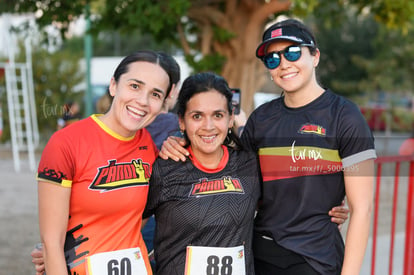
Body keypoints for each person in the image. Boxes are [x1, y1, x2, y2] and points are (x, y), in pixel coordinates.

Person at [159, 18, 375, 275]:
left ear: (315, 56)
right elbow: (221, 158)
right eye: (273, 59)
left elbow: (362, 210)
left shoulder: (345, 116)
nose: (283, 64)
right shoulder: (261, 119)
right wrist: (178, 138)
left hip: (316, 259)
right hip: (259, 254)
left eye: (292, 52)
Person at [35, 50, 178, 275]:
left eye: (155, 94)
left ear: (162, 103)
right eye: (135, 86)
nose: (142, 101)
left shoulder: (149, 145)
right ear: (113, 86)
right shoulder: (65, 143)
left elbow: (135, 218)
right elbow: (51, 243)